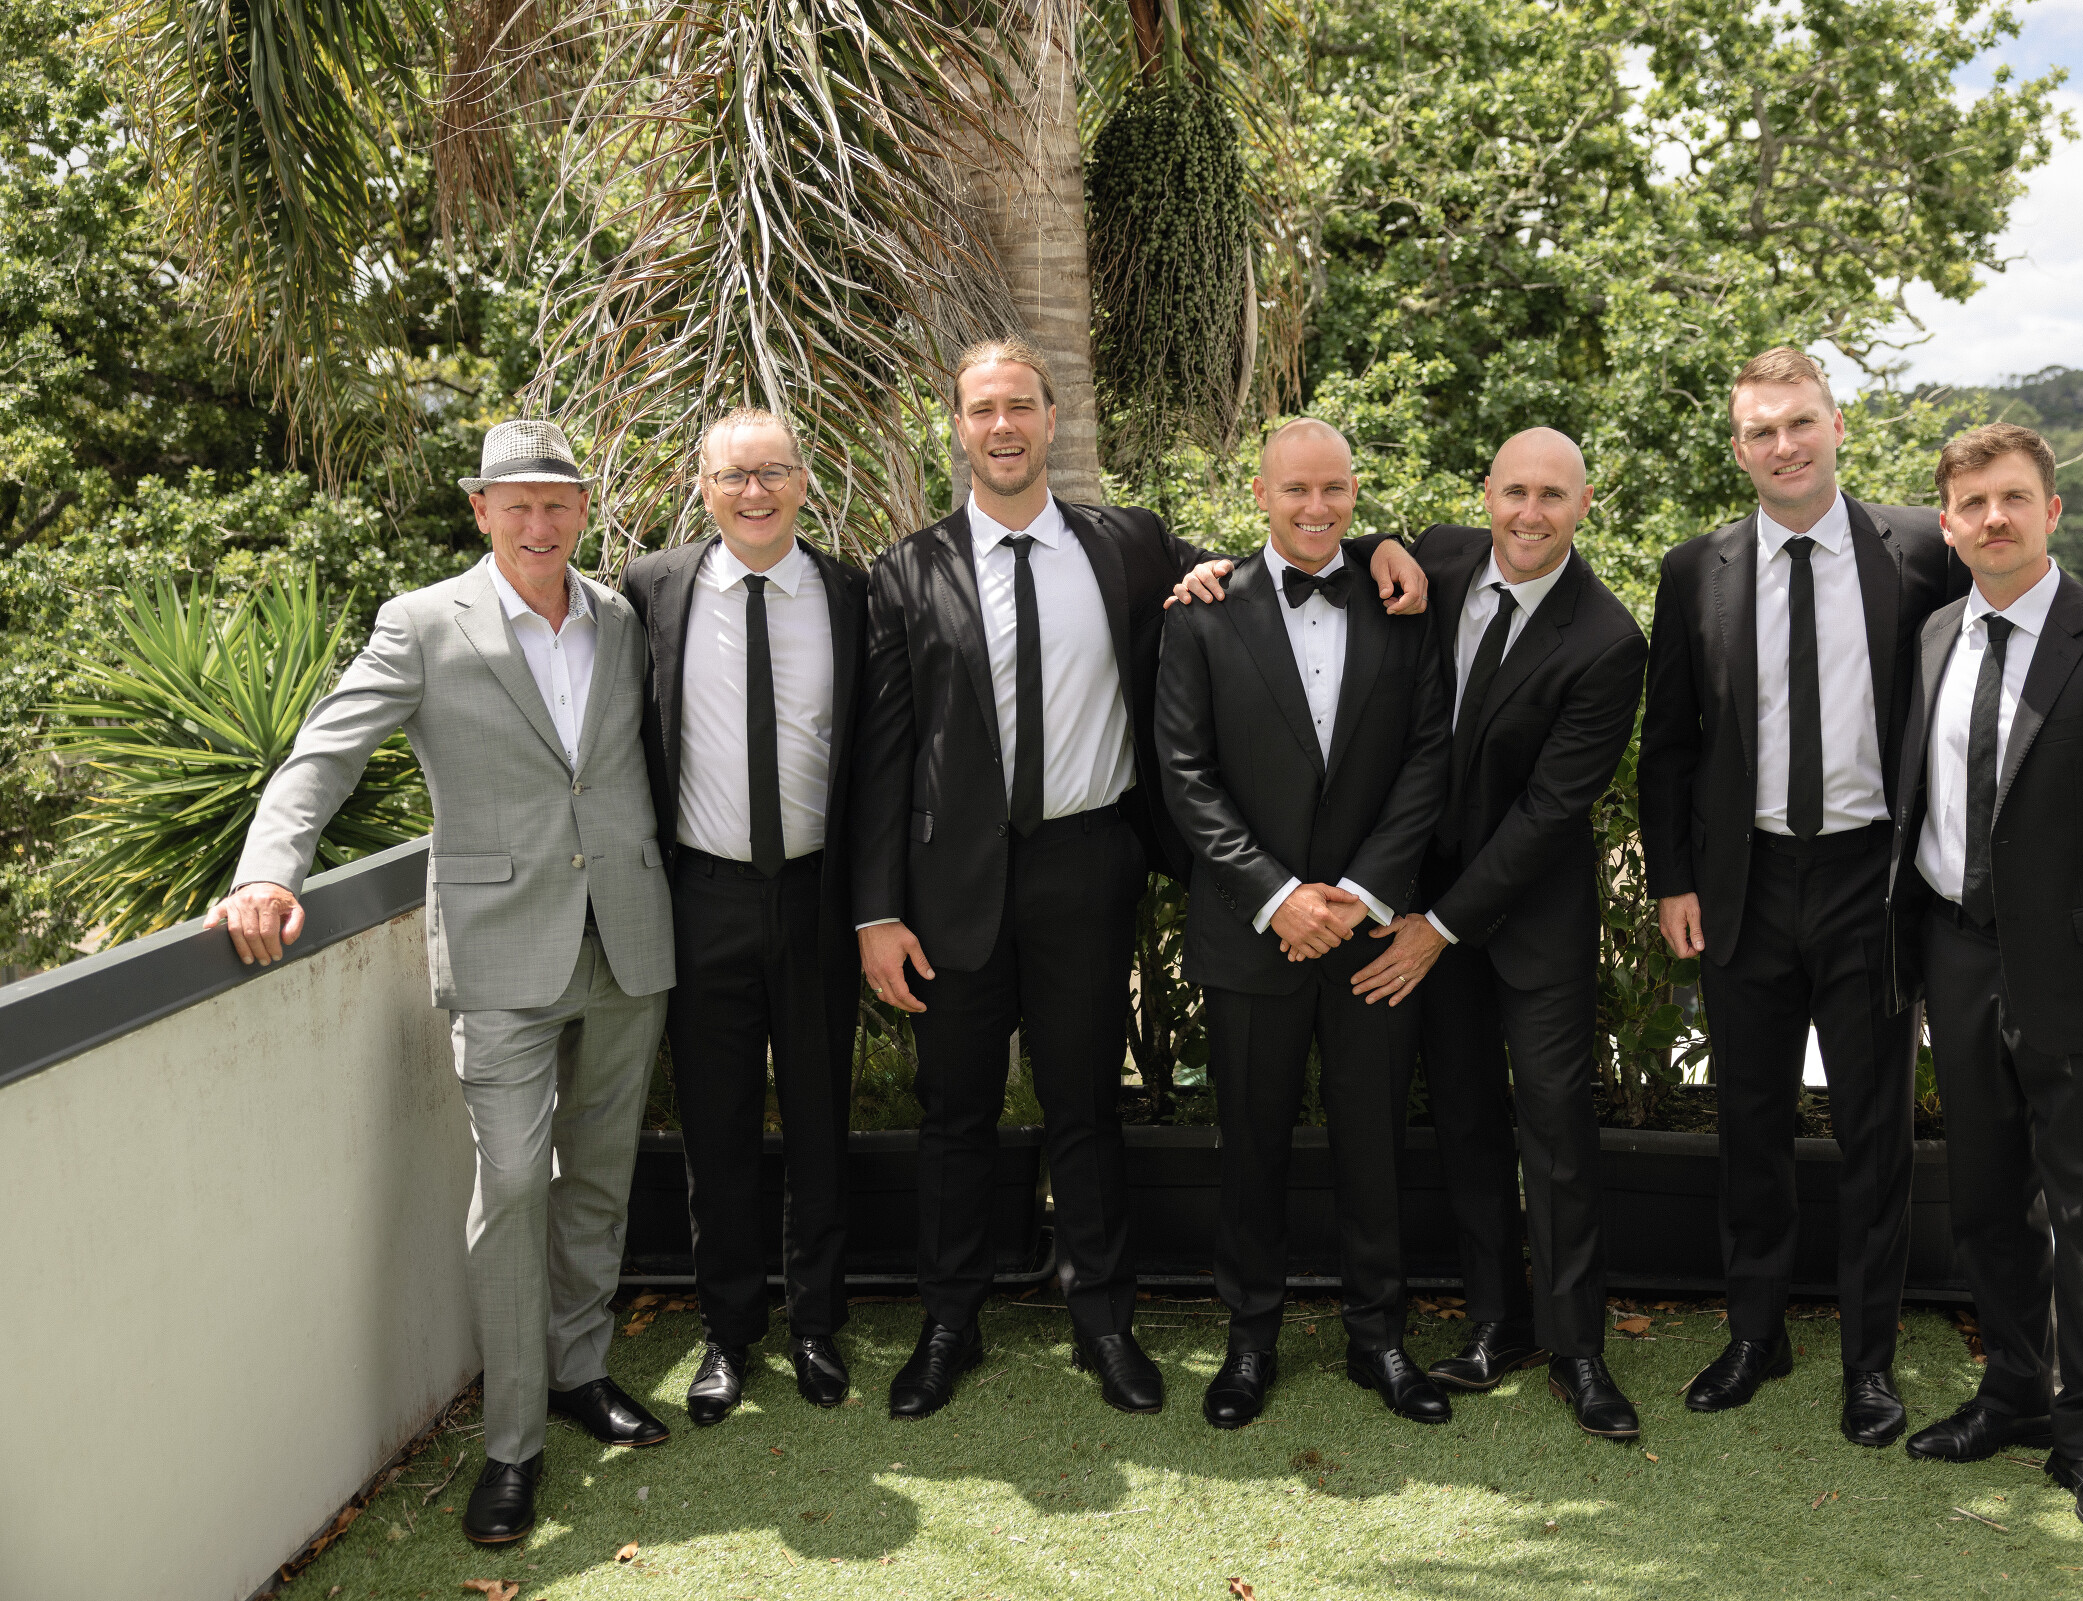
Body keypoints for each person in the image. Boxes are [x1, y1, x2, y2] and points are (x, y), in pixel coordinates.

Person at [853, 340, 1427, 1421]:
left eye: (1022, 406)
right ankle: (947, 1323)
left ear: (1052, 417)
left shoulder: (1131, 545)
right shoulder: (907, 569)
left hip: (1087, 862)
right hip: (949, 881)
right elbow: (882, 753)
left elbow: (1289, 552)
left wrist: (1382, 542)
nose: (1004, 426)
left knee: (1086, 1106)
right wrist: (877, 909)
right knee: (954, 1112)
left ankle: (1105, 1323)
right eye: (983, 409)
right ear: (959, 428)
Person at [1637, 348, 2083, 1449]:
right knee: (1749, 1121)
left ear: (1836, 425)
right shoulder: (1695, 568)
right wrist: (1673, 877)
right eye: (1760, 430)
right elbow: (1671, 742)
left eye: (1801, 422)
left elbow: (2031, 594)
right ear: (1738, 447)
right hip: (1745, 884)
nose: (1784, 445)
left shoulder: (1921, 550)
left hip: (1874, 887)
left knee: (1875, 1132)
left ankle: (1870, 1359)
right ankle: (1755, 1332)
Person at [205, 421, 676, 1544]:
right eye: (516, 504)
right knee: (511, 1185)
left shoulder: (619, 616)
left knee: (599, 1176)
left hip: (627, 939)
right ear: (480, 511)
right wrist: (268, 870)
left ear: (583, 508)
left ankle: (580, 1367)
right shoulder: (422, 623)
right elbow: (326, 751)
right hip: (500, 952)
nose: (538, 523)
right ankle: (512, 1442)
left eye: (556, 502)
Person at [1886, 423, 2083, 1549]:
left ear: (2052, 511)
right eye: (1972, 502)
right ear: (1947, 524)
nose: (1994, 518)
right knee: (1987, 1200)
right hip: (1957, 958)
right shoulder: (1936, 633)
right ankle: (2014, 1389)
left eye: (2014, 497)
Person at [1343, 429, 1650, 1438]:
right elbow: (1346, 545)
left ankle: (1578, 1347)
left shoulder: (1607, 640)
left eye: (1552, 496)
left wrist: (1440, 926)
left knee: (1554, 1128)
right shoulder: (1436, 555)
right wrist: (1377, 542)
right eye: (1515, 491)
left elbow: (1550, 813)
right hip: (1421, 898)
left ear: (1584, 505)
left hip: (1527, 917)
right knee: (1466, 1117)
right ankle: (1498, 1322)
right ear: (1486, 493)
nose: (1530, 513)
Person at [1155, 418, 1454, 1430]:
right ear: (1260, 493)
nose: (1317, 507)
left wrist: (1362, 892)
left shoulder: (1403, 601)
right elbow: (1185, 775)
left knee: (1376, 1145)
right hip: (1252, 929)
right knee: (1250, 1147)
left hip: (1369, 935)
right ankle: (1249, 1339)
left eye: (1335, 488)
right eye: (1296, 489)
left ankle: (1380, 1338)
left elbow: (1428, 757)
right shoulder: (1201, 612)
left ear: (1355, 493)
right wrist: (1277, 895)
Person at [622, 410, 868, 1424]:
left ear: (804, 481)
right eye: (733, 475)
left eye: (772, 472)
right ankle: (728, 1333)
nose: (754, 492)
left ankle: (816, 1323)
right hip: (701, 897)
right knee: (714, 1127)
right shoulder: (649, 589)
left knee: (819, 1118)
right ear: (704, 487)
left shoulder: (854, 595)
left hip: (818, 896)